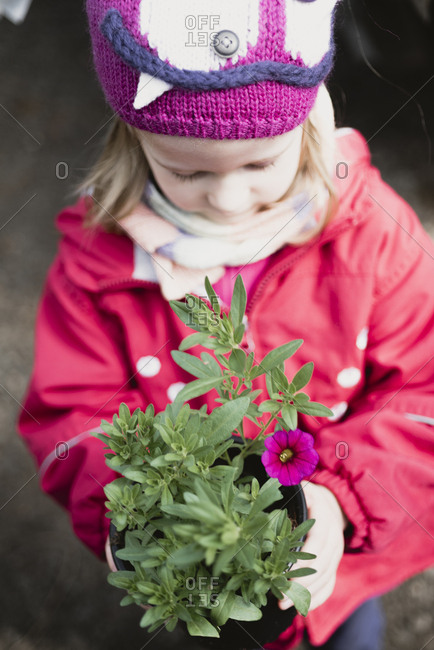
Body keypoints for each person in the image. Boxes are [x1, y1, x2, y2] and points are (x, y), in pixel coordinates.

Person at [17, 1, 434, 649]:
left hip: (335, 570)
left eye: (260, 163)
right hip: (200, 574)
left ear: (310, 122)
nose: (229, 198)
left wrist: (339, 502)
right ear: (133, 140)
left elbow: (426, 399)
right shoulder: (103, 261)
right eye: (186, 171)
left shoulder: (373, 236)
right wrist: (124, 509)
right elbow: (70, 413)